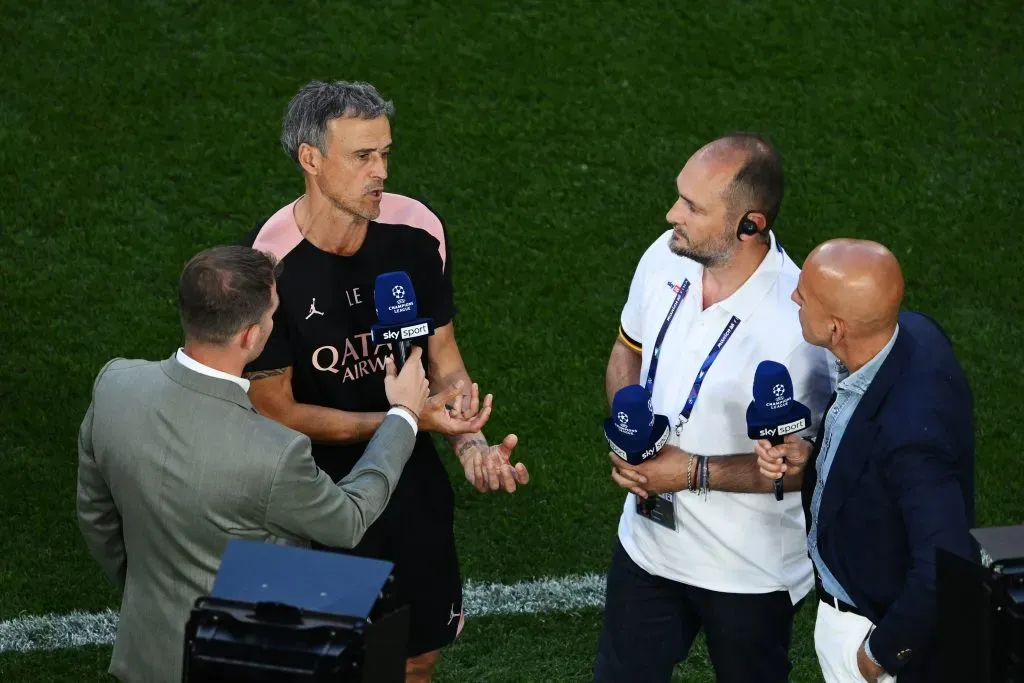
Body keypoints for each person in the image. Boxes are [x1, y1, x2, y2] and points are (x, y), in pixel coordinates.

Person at [240, 79, 529, 682]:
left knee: (417, 656)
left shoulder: (417, 232)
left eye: (385, 154)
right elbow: (274, 410)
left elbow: (443, 356)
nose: (380, 172)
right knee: (322, 667)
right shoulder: (266, 267)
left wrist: (470, 444)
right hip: (311, 495)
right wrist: (400, 422)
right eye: (362, 156)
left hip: (411, 489)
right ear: (310, 159)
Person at [76, 245, 441, 683]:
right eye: (272, 315)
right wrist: (403, 414)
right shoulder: (275, 453)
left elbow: (96, 518)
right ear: (250, 336)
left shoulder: (115, 385)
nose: (275, 322)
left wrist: (149, 589)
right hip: (241, 664)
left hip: (147, 655)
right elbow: (349, 518)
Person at [595, 133, 834, 682]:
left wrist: (692, 471)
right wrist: (631, 436)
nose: (671, 213)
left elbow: (811, 467)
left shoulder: (798, 327)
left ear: (750, 224)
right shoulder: (664, 255)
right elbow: (625, 351)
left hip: (748, 573)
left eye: (692, 207)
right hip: (647, 548)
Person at [756, 238, 975, 682]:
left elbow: (948, 557)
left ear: (837, 329)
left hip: (870, 631)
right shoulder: (912, 334)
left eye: (805, 294)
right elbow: (867, 449)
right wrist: (815, 457)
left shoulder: (910, 436)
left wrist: (881, 654)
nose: (794, 297)